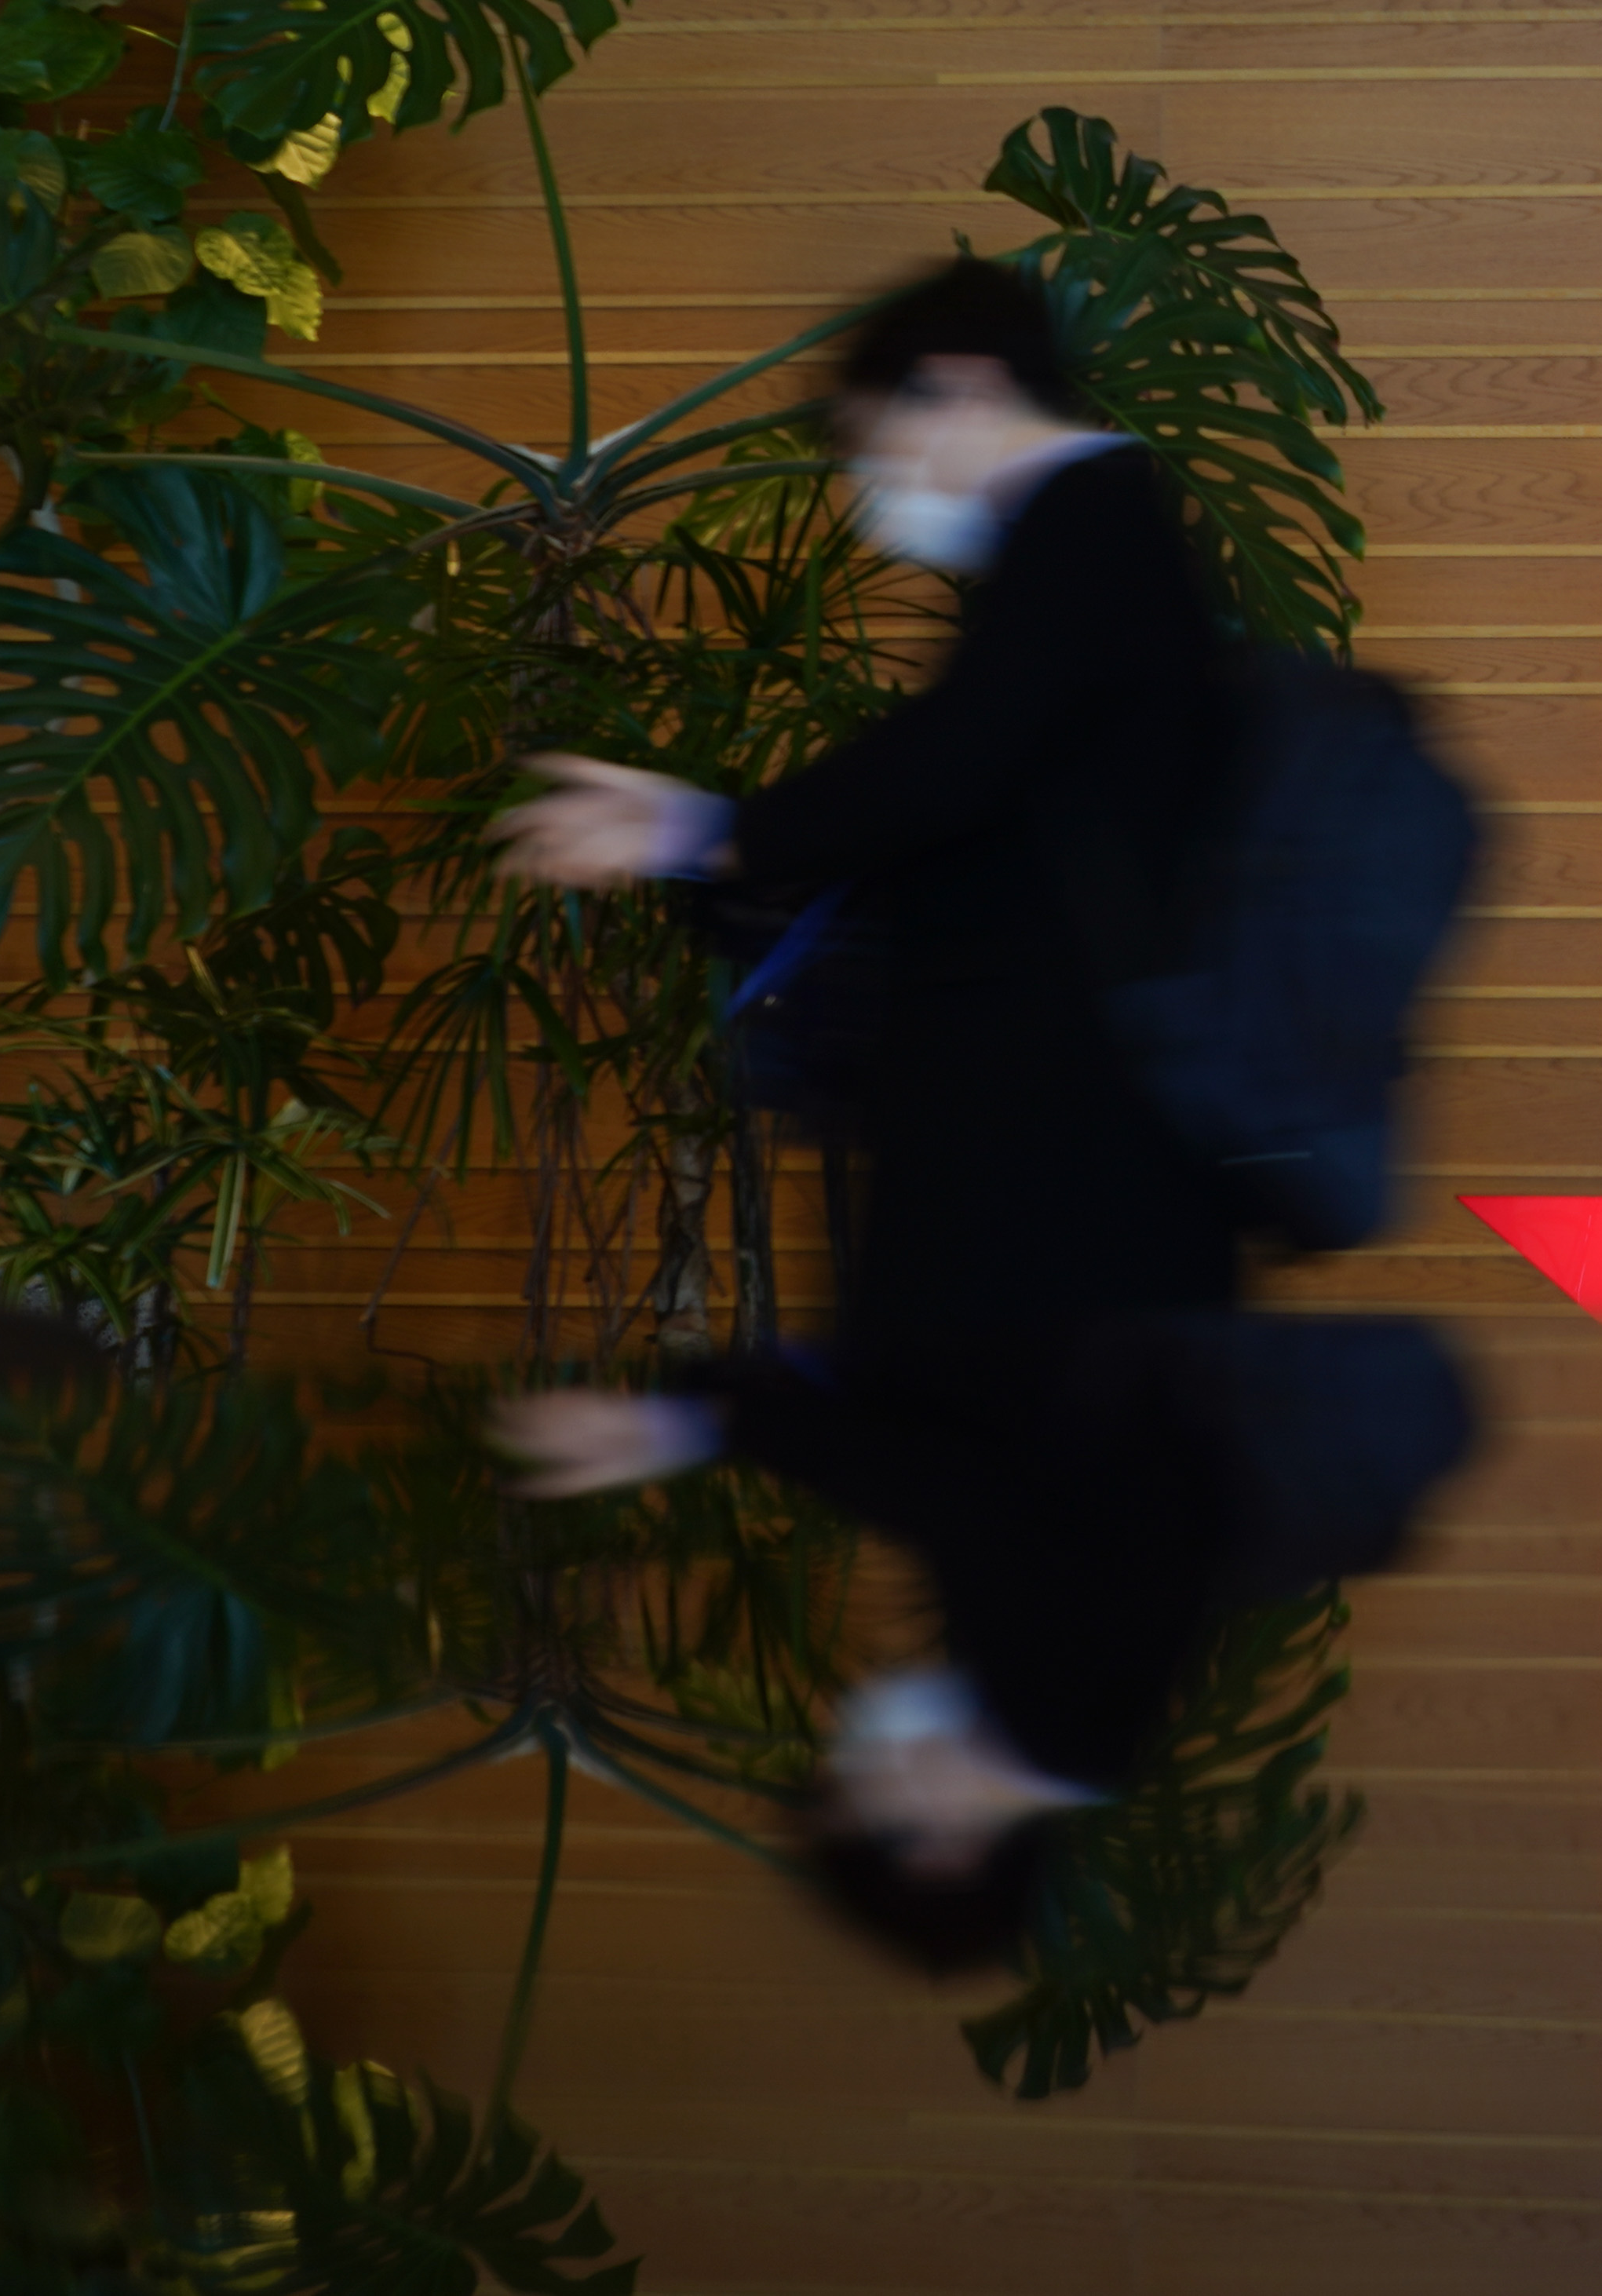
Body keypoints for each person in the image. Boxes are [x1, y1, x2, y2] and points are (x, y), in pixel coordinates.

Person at [486, 257, 1254, 1951]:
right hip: (1068, 1191)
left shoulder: (1096, 523)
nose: (874, 492)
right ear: (938, 1846)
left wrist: (711, 834)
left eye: (871, 445)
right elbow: (977, 1487)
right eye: (855, 1787)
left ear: (959, 383)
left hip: (1063, 1183)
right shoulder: (1071, 1707)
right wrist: (713, 839)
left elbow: (967, 765)